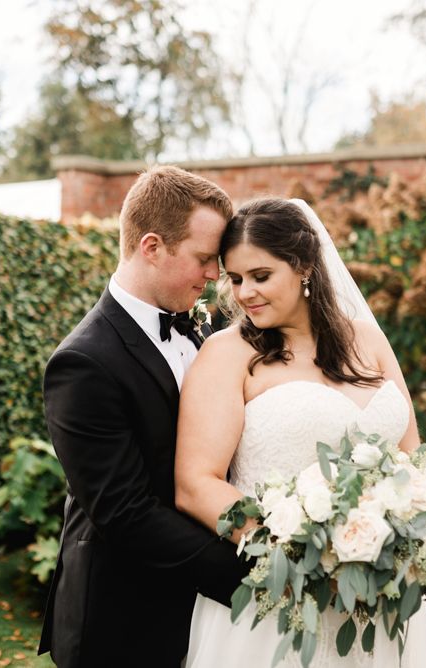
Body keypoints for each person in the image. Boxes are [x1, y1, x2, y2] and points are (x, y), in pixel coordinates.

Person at [175, 197, 426, 667]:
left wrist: (418, 538)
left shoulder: (366, 339)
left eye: (261, 276)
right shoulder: (226, 354)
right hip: (281, 600)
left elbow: (414, 458)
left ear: (304, 266)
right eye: (235, 279)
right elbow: (196, 485)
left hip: (384, 592)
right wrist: (303, 556)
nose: (245, 293)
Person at [39, 165, 250, 668]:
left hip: (202, 615)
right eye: (204, 259)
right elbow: (125, 512)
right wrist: (258, 572)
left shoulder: (210, 332)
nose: (215, 276)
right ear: (152, 247)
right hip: (123, 621)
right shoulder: (83, 364)